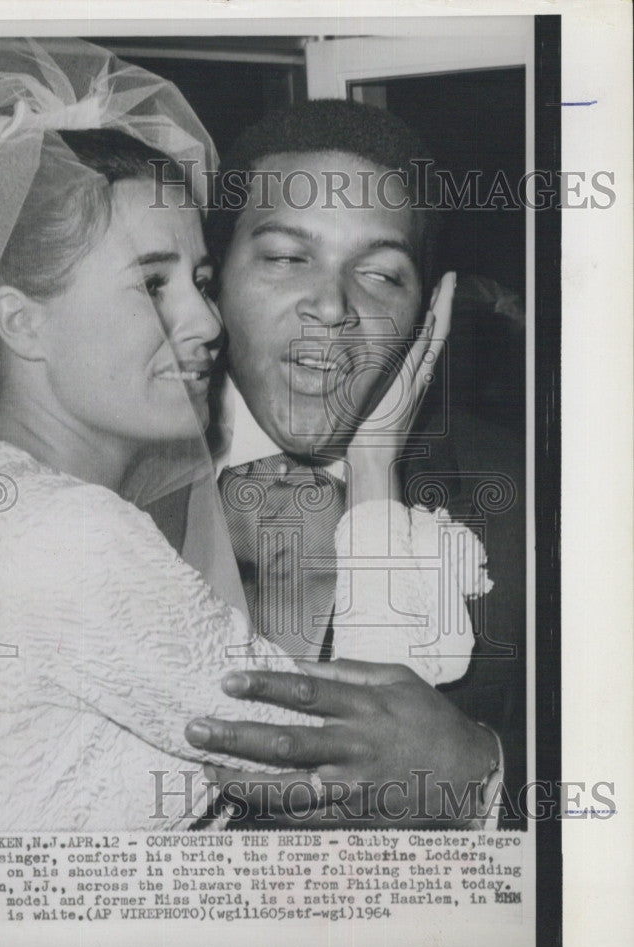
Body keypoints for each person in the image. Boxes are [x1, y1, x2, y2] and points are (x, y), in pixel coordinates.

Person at [0, 40, 489, 832]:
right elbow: (364, 760)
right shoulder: (68, 536)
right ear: (22, 321)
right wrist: (374, 470)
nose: (204, 325)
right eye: (152, 284)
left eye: (198, 283)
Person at [184, 101, 526, 827]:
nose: (333, 305)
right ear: (209, 283)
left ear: (430, 313)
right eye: (285, 258)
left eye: (380, 275)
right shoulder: (106, 468)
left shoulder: (532, 498)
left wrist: (481, 778)